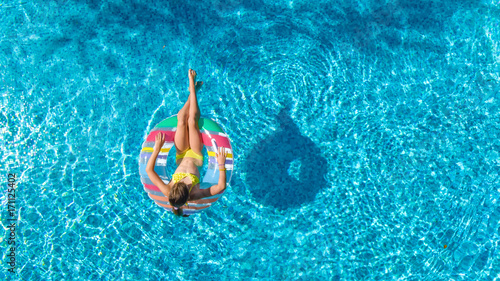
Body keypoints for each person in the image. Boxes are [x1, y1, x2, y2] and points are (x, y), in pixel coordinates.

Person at [146, 69, 228, 216]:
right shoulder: (195, 194)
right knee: (191, 121)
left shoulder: (168, 190)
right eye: (186, 185)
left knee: (181, 119)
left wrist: (157, 149)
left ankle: (193, 92)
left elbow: (149, 171)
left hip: (181, 153)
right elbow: (221, 186)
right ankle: (192, 87)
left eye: (180, 183)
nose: (185, 182)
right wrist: (221, 164)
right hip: (196, 155)